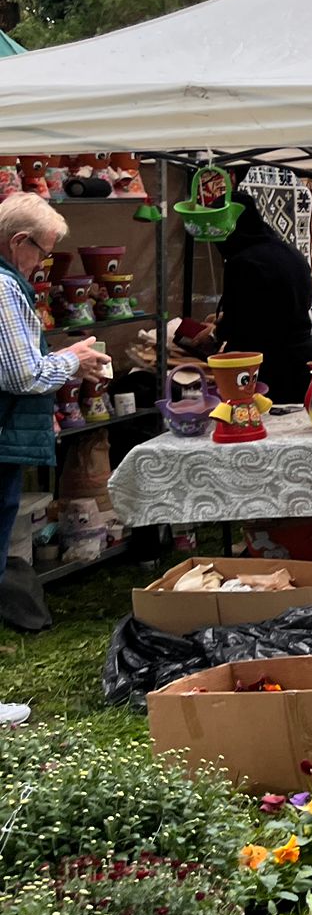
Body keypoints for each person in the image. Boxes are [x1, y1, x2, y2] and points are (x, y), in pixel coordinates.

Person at [1, 194, 113, 709]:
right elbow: (23, 375)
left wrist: (68, 364)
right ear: (18, 242)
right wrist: (71, 356)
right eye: (42, 253)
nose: (43, 264)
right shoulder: (4, 288)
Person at [197, 203, 312, 405]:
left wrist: (214, 333)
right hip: (302, 360)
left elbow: (241, 325)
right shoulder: (291, 253)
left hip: (267, 368)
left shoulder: (242, 262)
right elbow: (282, 306)